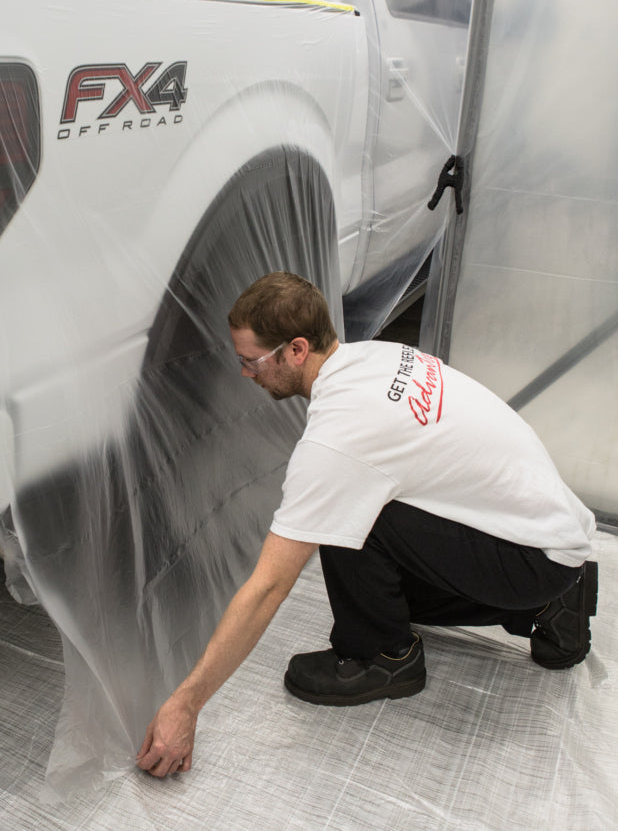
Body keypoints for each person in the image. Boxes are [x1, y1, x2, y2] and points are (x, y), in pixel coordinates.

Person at [135, 271, 598, 778]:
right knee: (376, 545)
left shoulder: (339, 440)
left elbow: (269, 587)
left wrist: (186, 703)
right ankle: (551, 603)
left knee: (351, 510)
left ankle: (384, 656)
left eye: (251, 361)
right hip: (547, 533)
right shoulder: (374, 356)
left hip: (534, 556)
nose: (245, 374)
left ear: (296, 349)